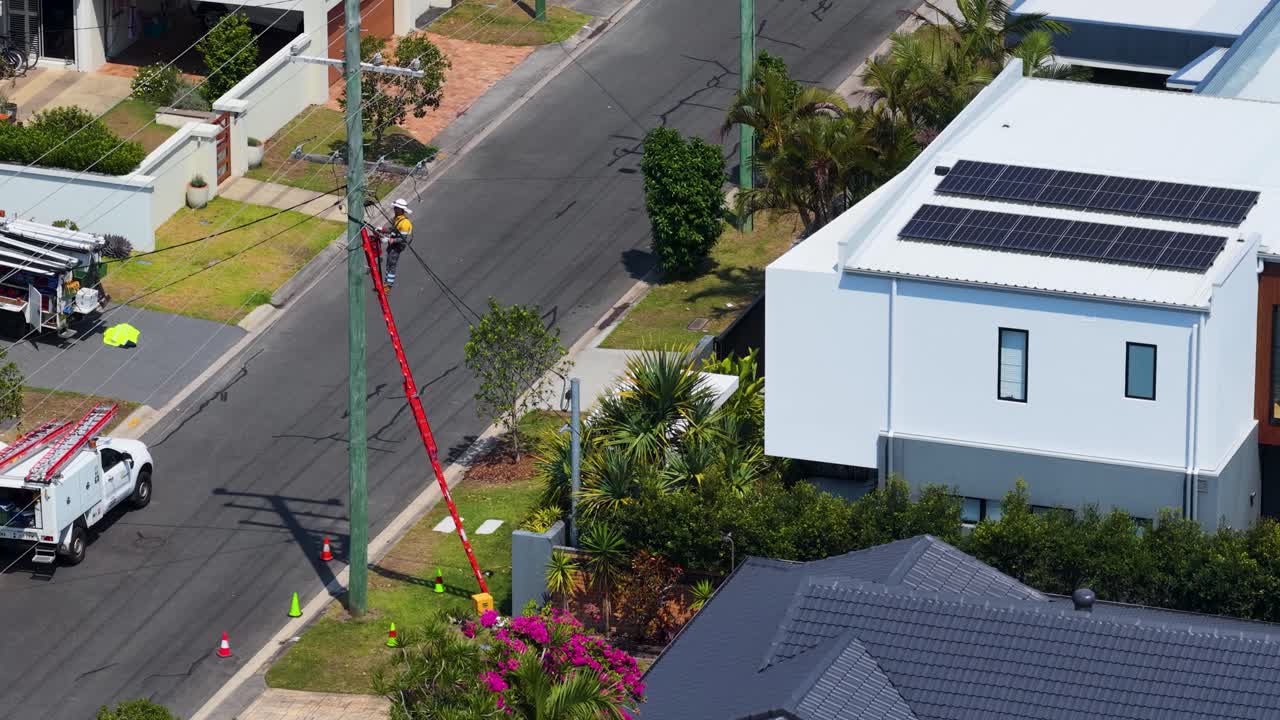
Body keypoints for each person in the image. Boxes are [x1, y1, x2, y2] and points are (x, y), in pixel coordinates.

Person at [382, 198, 413, 288]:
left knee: (392, 264)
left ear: (401, 210)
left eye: (396, 208)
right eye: (395, 207)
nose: (394, 209)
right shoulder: (396, 219)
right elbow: (392, 229)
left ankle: (388, 285)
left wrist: (389, 240)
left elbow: (402, 239)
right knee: (388, 263)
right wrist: (383, 230)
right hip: (392, 244)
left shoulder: (405, 223)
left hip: (397, 246)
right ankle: (386, 281)